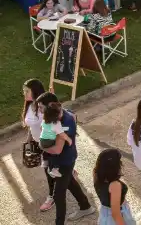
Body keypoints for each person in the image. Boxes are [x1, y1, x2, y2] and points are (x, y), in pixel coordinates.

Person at [37, 93, 95, 223]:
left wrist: (41, 146)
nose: (39, 110)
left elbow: (57, 149)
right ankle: (85, 206)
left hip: (64, 162)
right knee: (70, 183)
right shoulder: (57, 114)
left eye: (41, 107)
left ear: (50, 106)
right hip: (60, 160)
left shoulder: (64, 121)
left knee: (58, 195)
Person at [23, 79, 59, 212]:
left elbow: (56, 119)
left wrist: (52, 104)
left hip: (49, 143)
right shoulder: (29, 105)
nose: (24, 93)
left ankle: (52, 197)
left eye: (27, 91)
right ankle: (68, 172)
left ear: (35, 91)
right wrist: (29, 139)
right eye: (24, 91)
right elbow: (31, 125)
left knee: (48, 171)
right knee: (53, 169)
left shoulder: (43, 106)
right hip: (39, 143)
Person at [93, 148, 136, 225]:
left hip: (104, 212)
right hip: (118, 216)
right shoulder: (115, 185)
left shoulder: (95, 173)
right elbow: (115, 213)